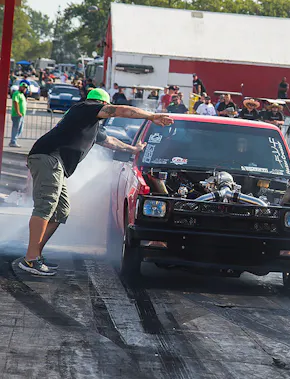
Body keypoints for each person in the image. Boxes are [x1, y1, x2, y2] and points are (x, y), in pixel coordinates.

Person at [19, 89, 173, 276]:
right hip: (49, 158)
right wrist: (151, 116)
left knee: (61, 210)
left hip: (53, 162)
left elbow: (111, 141)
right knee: (46, 205)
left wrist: (133, 149)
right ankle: (31, 259)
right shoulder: (87, 107)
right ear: (103, 104)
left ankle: (35, 254)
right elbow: (121, 110)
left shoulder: (89, 123)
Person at [9, 81, 28, 148]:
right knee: (16, 128)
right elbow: (15, 102)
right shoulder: (16, 93)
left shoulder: (22, 95)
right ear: (20, 87)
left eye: (25, 88)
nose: (24, 89)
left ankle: (14, 140)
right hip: (17, 115)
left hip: (21, 115)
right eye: (23, 87)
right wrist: (18, 112)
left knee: (20, 129)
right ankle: (13, 141)